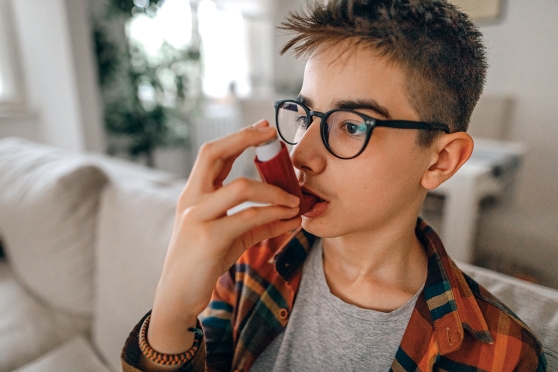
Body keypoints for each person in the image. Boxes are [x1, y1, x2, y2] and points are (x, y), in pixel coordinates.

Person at [122, 0, 547, 371]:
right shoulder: (249, 261)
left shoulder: (500, 355)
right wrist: (173, 313)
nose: (299, 156)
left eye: (351, 125)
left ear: (440, 160)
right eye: (305, 117)